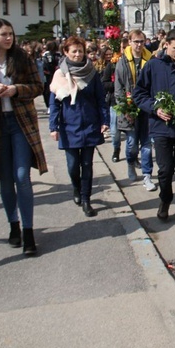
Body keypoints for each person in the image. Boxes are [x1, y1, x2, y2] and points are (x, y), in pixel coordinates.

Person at [0, 19, 47, 256]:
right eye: (3, 34)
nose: (9, 38)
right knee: (5, 179)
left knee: (22, 176)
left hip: (20, 122)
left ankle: (29, 232)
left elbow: (38, 86)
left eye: (11, 33)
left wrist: (16, 89)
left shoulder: (21, 57)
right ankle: (13, 226)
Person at [134, 28, 175, 229]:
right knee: (164, 170)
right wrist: (155, 108)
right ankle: (165, 199)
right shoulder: (153, 66)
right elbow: (139, 94)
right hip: (160, 127)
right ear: (166, 45)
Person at [49, 36, 110, 217]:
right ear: (66, 52)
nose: (77, 54)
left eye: (80, 51)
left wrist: (104, 120)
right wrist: (54, 126)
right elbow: (55, 103)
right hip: (69, 126)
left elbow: (100, 98)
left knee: (87, 165)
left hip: (90, 124)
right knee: (73, 165)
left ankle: (86, 199)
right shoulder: (59, 75)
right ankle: (76, 187)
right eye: (73, 51)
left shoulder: (91, 73)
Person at [115, 29, 156, 190]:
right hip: (129, 106)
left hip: (145, 107)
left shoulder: (150, 59)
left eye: (141, 41)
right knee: (131, 143)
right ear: (130, 42)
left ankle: (147, 175)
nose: (139, 45)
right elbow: (118, 87)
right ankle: (131, 163)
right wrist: (125, 108)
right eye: (136, 41)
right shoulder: (122, 61)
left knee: (146, 144)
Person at [100, 47, 122, 162]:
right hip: (114, 102)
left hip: (130, 101)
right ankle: (116, 149)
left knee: (132, 133)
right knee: (114, 130)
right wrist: (117, 84)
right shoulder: (111, 66)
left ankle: (133, 156)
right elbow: (104, 83)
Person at [41, 41, 61, 110]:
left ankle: (50, 105)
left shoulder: (55, 54)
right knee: (49, 90)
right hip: (50, 74)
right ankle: (50, 105)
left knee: (49, 91)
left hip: (51, 74)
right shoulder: (47, 54)